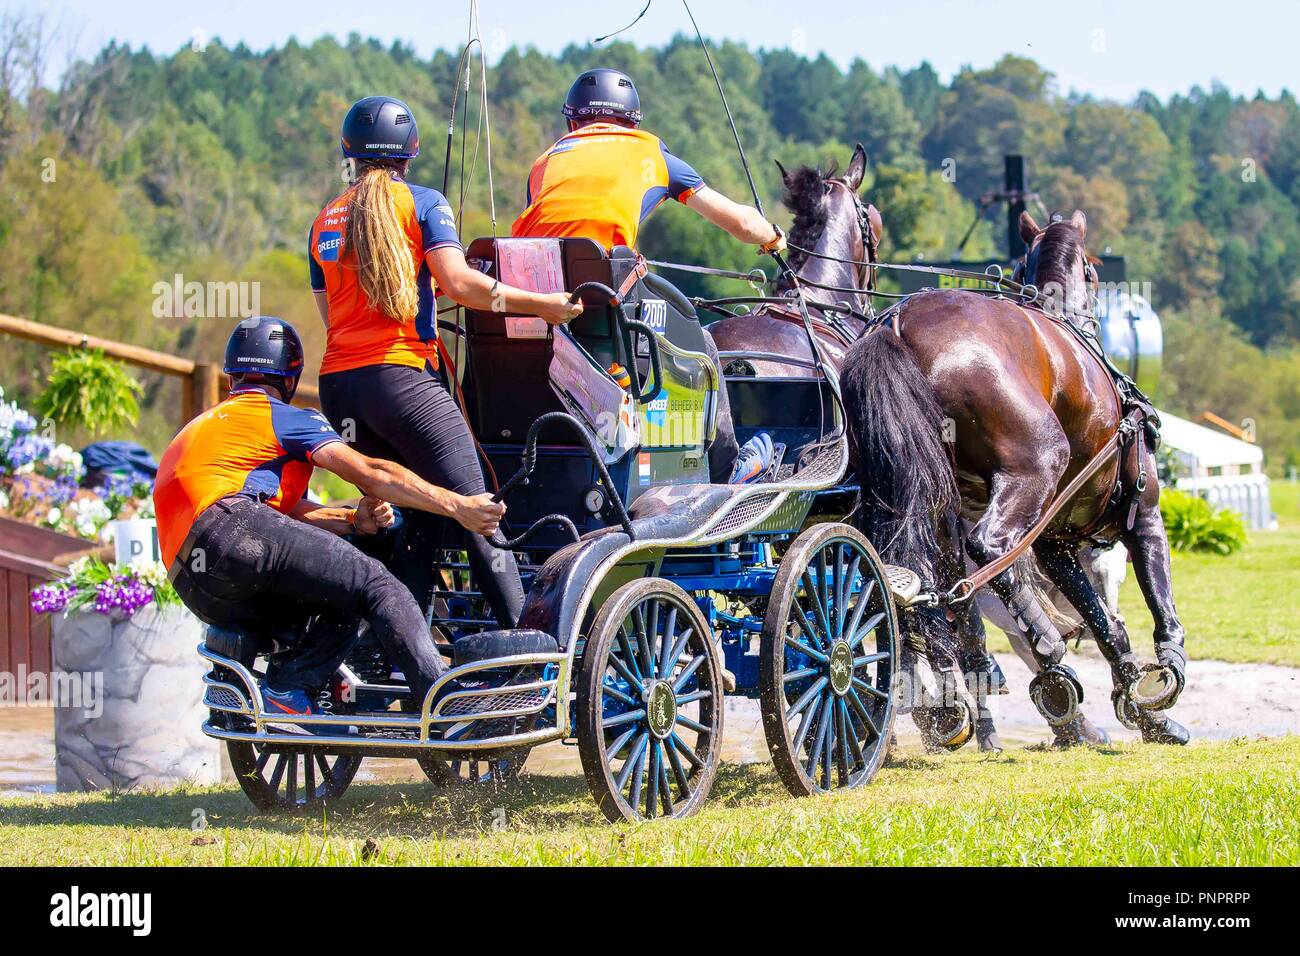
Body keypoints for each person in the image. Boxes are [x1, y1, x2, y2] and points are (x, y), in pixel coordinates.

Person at [309, 95, 583, 630]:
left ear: (350, 152)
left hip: (340, 387)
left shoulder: (323, 220)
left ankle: (404, 660)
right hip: (402, 380)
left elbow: (330, 318)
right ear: (410, 153)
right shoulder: (424, 203)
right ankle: (530, 658)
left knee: (416, 523)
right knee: (479, 511)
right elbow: (461, 285)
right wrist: (543, 305)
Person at [157, 316, 506, 729]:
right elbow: (372, 473)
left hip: (193, 578)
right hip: (234, 528)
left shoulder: (204, 427)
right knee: (377, 584)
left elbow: (282, 516)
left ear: (233, 374)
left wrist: (352, 520)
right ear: (291, 376)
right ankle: (445, 703)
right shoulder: (284, 417)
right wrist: (457, 505)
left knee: (340, 594)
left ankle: (289, 691)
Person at [512, 68, 786, 483]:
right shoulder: (651, 153)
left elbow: (557, 234)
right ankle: (727, 469)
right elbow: (741, 224)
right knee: (703, 345)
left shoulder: (545, 161)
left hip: (531, 303)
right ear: (632, 122)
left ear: (572, 123)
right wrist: (773, 238)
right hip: (607, 305)